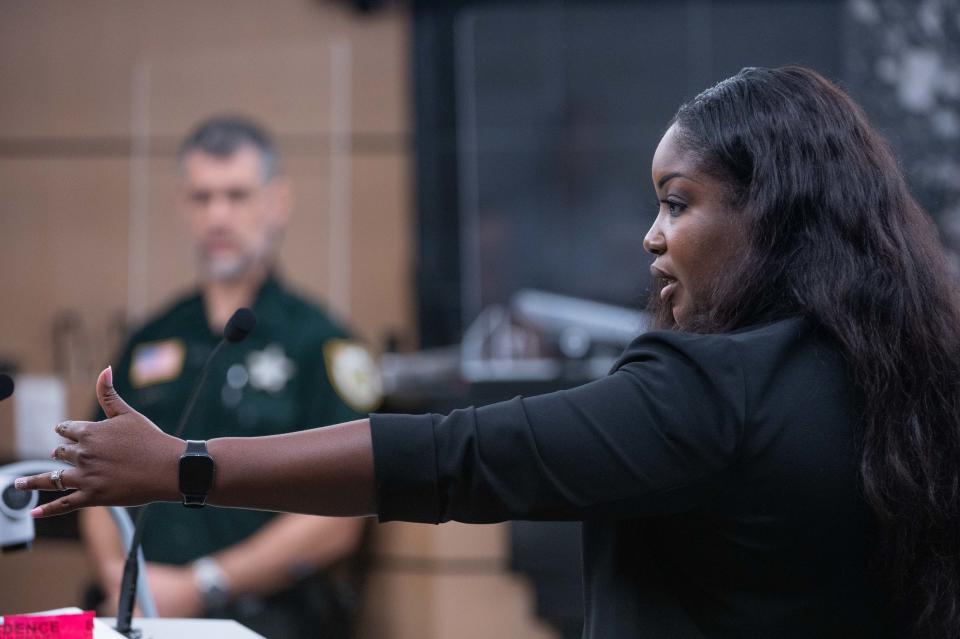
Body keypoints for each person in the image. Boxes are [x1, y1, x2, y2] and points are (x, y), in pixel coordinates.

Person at [20, 66, 960, 638]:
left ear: (773, 209)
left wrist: (184, 466)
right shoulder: (896, 371)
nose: (651, 237)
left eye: (677, 202)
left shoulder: (716, 391)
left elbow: (459, 455)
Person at [76, 117, 382, 638]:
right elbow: (91, 471)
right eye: (202, 197)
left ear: (277, 202)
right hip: (137, 615)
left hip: (262, 619)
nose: (218, 216)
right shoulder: (153, 337)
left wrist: (202, 585)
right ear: (182, 206)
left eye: (237, 195)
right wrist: (124, 578)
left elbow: (344, 514)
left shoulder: (322, 343)